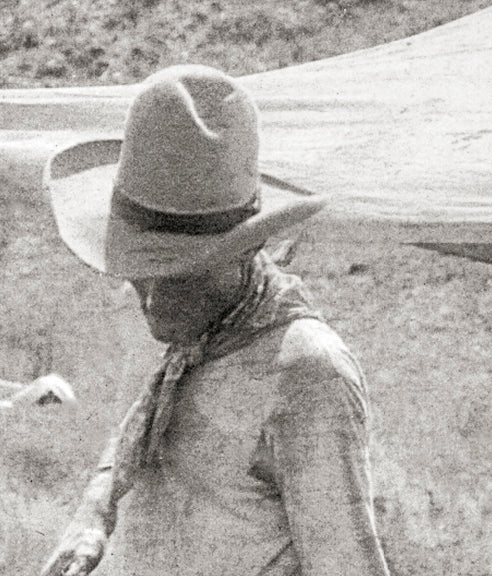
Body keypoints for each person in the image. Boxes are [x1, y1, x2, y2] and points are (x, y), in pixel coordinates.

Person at [39, 64, 391, 576]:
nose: (153, 302)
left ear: (249, 249)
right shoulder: (201, 336)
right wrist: (93, 513)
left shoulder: (306, 373)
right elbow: (140, 426)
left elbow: (346, 564)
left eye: (181, 275)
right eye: (140, 270)